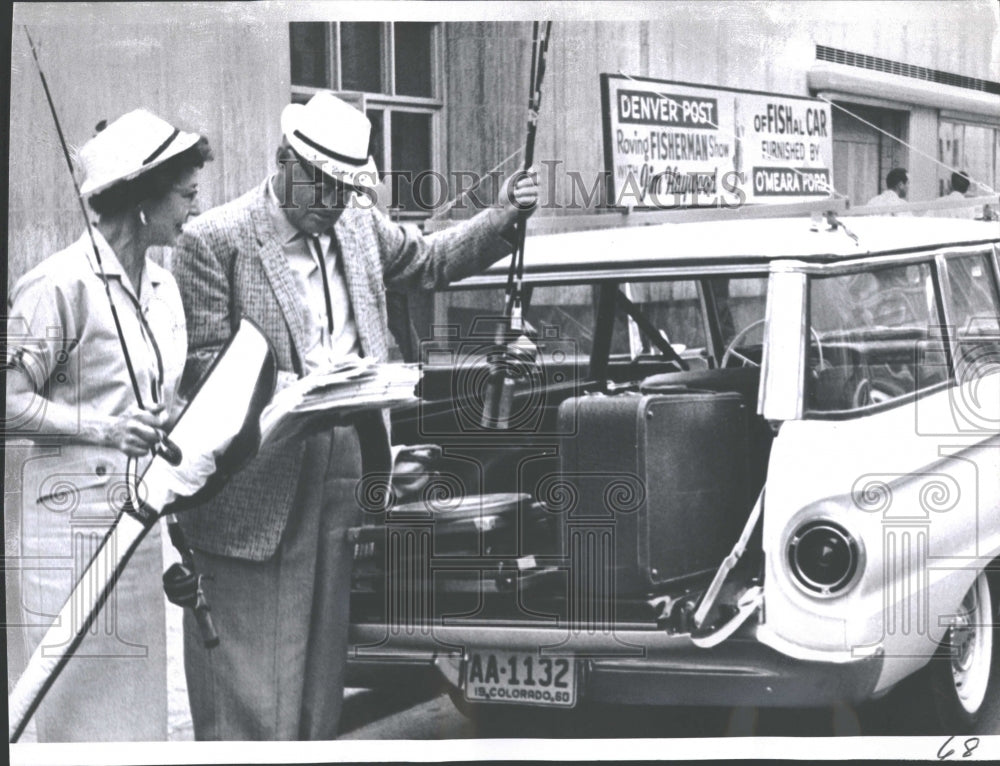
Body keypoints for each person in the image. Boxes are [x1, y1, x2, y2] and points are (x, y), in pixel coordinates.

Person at [170, 90, 540, 741]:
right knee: (250, 680)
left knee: (316, 673)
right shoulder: (213, 240)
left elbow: (430, 262)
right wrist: (292, 388)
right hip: (255, 476)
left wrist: (505, 213)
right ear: (284, 161)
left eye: (347, 188)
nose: (335, 202)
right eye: (323, 186)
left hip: (346, 464)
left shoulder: (358, 225)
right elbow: (201, 368)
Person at [5, 109, 210, 741]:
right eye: (185, 195)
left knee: (136, 725)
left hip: (138, 537)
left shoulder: (163, 288)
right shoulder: (55, 286)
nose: (193, 211)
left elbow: (156, 403)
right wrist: (104, 428)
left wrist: (172, 417)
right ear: (142, 196)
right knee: (72, 723)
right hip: (63, 542)